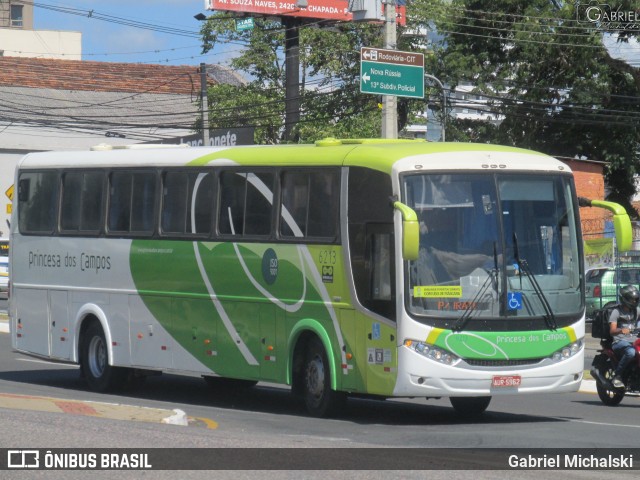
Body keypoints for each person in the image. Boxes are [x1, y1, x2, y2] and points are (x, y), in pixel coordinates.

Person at [608, 284, 640, 388]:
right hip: (619, 342)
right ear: (625, 299)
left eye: (636, 299)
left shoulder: (636, 311)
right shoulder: (616, 312)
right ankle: (617, 376)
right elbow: (612, 331)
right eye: (632, 300)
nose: (634, 302)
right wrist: (621, 330)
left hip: (634, 341)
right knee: (631, 352)